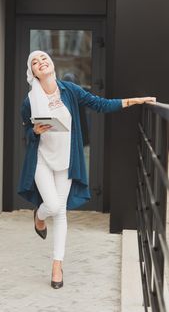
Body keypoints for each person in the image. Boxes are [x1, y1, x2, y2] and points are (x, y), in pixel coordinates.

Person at [17, 50, 156, 289]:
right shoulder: (30, 100)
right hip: (41, 159)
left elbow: (99, 104)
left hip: (66, 161)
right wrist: (34, 132)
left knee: (60, 211)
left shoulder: (69, 90)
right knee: (51, 205)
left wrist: (135, 101)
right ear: (33, 73)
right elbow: (26, 133)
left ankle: (57, 265)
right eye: (35, 62)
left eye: (43, 58)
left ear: (50, 63)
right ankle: (39, 217)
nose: (41, 63)